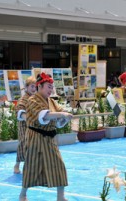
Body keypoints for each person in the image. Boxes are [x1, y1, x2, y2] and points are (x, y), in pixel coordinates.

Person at [19, 73, 73, 201]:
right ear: (40, 86)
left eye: (51, 87)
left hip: (50, 139)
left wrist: (65, 118)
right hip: (35, 138)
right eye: (49, 87)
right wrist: (62, 114)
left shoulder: (52, 101)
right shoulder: (32, 100)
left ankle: (61, 197)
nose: (51, 90)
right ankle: (23, 194)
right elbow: (45, 115)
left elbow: (58, 120)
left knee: (59, 165)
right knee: (31, 166)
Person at [14, 76, 36, 174]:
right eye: (32, 86)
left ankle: (31, 166)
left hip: (33, 125)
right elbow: (19, 111)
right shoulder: (23, 99)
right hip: (24, 126)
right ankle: (17, 164)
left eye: (35, 86)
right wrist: (29, 118)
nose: (34, 88)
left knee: (34, 145)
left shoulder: (35, 98)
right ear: (26, 87)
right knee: (23, 144)